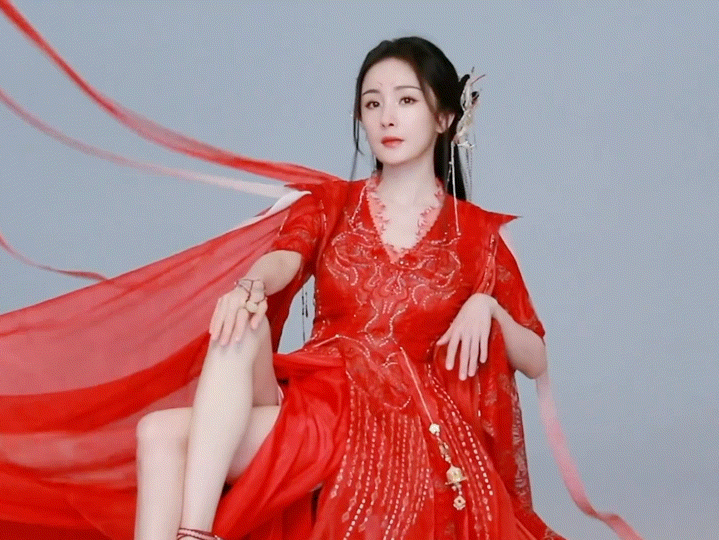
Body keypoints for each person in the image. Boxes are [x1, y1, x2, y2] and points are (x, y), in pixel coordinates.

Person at [135, 37, 558, 540]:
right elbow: (286, 258)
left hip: (403, 424)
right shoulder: (332, 204)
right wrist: (251, 284)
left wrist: (488, 307)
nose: (387, 118)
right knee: (240, 321)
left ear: (444, 118)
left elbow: (535, 357)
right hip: (319, 395)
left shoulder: (478, 235)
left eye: (406, 100)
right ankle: (196, 534)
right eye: (372, 104)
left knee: (161, 433)